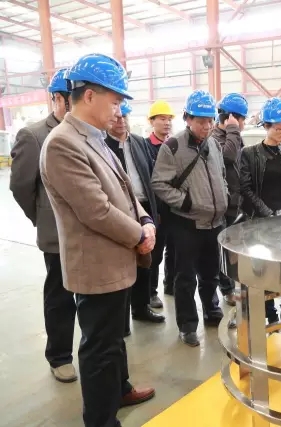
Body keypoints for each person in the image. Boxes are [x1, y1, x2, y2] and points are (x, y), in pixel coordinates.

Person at [39, 53, 155, 427]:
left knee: (114, 339)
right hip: (97, 266)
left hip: (117, 260)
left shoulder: (97, 138)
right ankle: (102, 420)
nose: (119, 110)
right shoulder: (63, 144)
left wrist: (145, 218)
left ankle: (119, 390)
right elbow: (97, 210)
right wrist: (139, 235)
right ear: (89, 96)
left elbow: (125, 190)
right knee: (100, 348)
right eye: (115, 101)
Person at [9, 68, 78, 383]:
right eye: (72, 98)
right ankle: (60, 356)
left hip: (89, 233)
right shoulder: (34, 135)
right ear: (58, 99)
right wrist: (42, 218)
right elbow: (21, 187)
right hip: (57, 235)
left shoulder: (86, 132)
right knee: (60, 296)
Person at [151, 90, 228, 347]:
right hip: (187, 224)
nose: (207, 126)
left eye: (210, 120)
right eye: (201, 120)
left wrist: (224, 195)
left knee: (211, 273)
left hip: (214, 223)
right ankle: (187, 325)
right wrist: (186, 202)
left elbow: (221, 175)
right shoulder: (172, 147)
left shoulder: (214, 144)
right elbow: (159, 183)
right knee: (185, 278)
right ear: (187, 118)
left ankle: (212, 310)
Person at [239, 97, 281, 329]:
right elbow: (246, 188)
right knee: (265, 269)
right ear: (266, 126)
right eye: (278, 128)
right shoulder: (250, 153)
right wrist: (268, 214)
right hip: (261, 222)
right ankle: (271, 314)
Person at [106, 100, 165, 330]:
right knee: (122, 265)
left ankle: (141, 308)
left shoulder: (139, 142)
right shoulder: (103, 145)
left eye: (125, 117)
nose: (121, 122)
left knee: (145, 260)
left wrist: (154, 212)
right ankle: (122, 321)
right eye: (117, 118)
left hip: (144, 209)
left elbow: (152, 177)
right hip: (119, 212)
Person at [211, 92, 249, 306]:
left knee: (234, 248)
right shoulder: (216, 137)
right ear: (231, 118)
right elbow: (228, 156)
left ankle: (232, 284)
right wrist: (233, 129)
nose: (243, 123)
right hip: (223, 205)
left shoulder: (233, 136)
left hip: (236, 203)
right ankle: (226, 290)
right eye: (241, 119)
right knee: (222, 250)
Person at [146, 100, 175, 300]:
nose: (166, 123)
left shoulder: (174, 145)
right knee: (155, 253)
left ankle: (170, 285)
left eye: (169, 119)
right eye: (162, 119)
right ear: (152, 121)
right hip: (157, 210)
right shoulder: (145, 146)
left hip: (174, 208)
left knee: (173, 250)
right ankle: (150, 293)